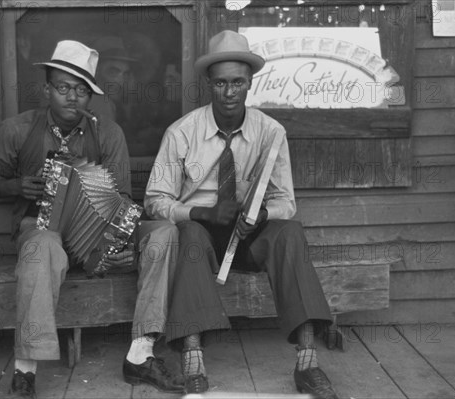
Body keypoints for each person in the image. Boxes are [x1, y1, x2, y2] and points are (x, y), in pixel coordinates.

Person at [0, 40, 183, 397]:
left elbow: (120, 198)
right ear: (46, 89)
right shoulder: (19, 129)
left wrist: (118, 242)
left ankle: (141, 354)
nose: (72, 97)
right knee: (41, 247)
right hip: (43, 230)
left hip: (96, 239)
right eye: (63, 88)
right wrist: (17, 186)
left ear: (90, 96)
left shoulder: (108, 133)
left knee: (164, 232)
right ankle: (26, 369)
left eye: (82, 90)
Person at [144, 30, 339, 398]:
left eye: (237, 82)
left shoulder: (271, 132)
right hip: (201, 240)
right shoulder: (182, 133)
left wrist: (262, 214)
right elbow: (155, 200)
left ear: (250, 82)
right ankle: (193, 356)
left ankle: (308, 361)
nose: (229, 92)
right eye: (220, 83)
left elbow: (287, 201)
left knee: (291, 232)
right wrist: (201, 212)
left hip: (249, 236)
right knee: (190, 234)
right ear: (208, 84)